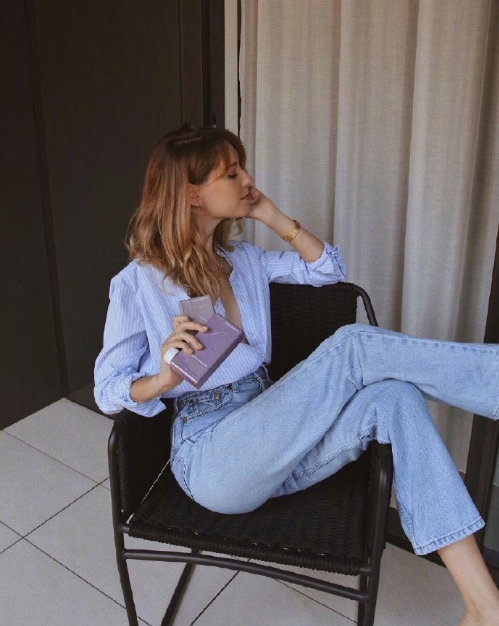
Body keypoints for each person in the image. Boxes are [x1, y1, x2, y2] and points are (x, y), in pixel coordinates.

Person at [94, 123, 499, 626]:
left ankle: (484, 607)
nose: (247, 180)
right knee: (352, 344)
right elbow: (107, 391)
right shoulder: (138, 282)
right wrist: (162, 379)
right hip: (213, 456)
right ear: (192, 193)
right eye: (232, 173)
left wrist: (269, 214)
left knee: (395, 397)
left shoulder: (244, 261)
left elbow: (328, 270)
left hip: (278, 439)